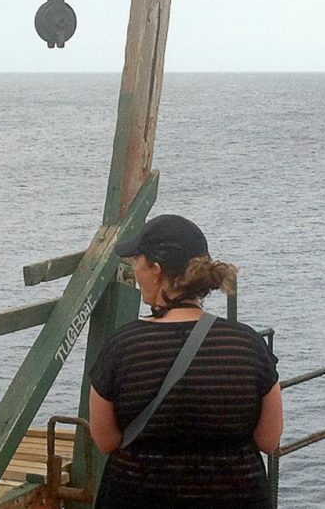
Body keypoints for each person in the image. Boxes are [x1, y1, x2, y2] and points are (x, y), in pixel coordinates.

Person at [88, 214, 283, 509]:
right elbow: (269, 440)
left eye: (136, 262)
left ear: (156, 268)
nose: (134, 270)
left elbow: (106, 441)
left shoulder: (122, 347)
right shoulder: (247, 345)